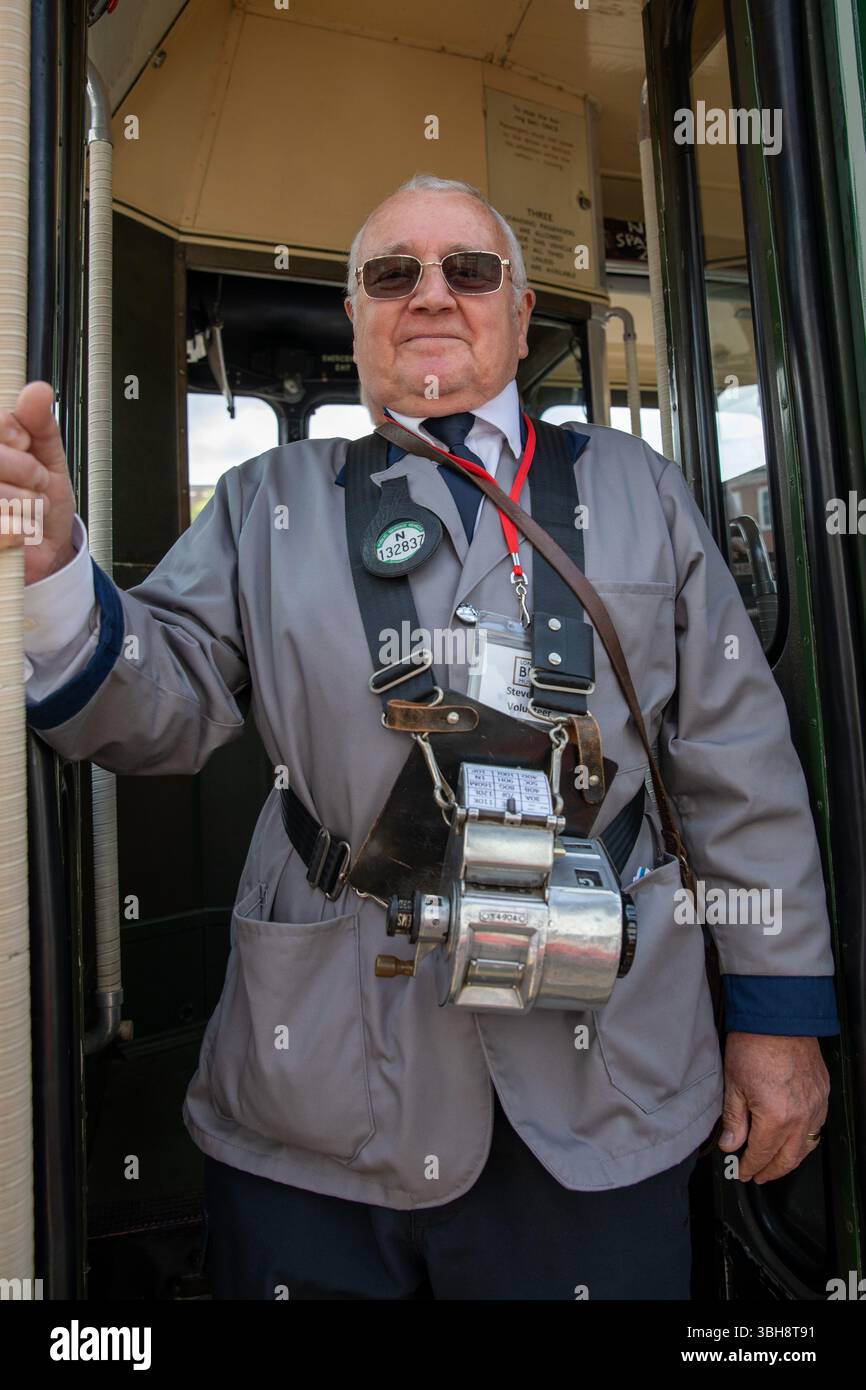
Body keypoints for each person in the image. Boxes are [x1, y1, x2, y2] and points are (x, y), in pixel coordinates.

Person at [0, 174, 836, 1300]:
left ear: (518, 310)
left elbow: (738, 765)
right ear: (356, 317)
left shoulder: (638, 489)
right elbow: (158, 707)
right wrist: (54, 577)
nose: (430, 294)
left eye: (467, 269)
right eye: (391, 274)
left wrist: (776, 1022)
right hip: (324, 1100)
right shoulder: (263, 500)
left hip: (605, 1088)